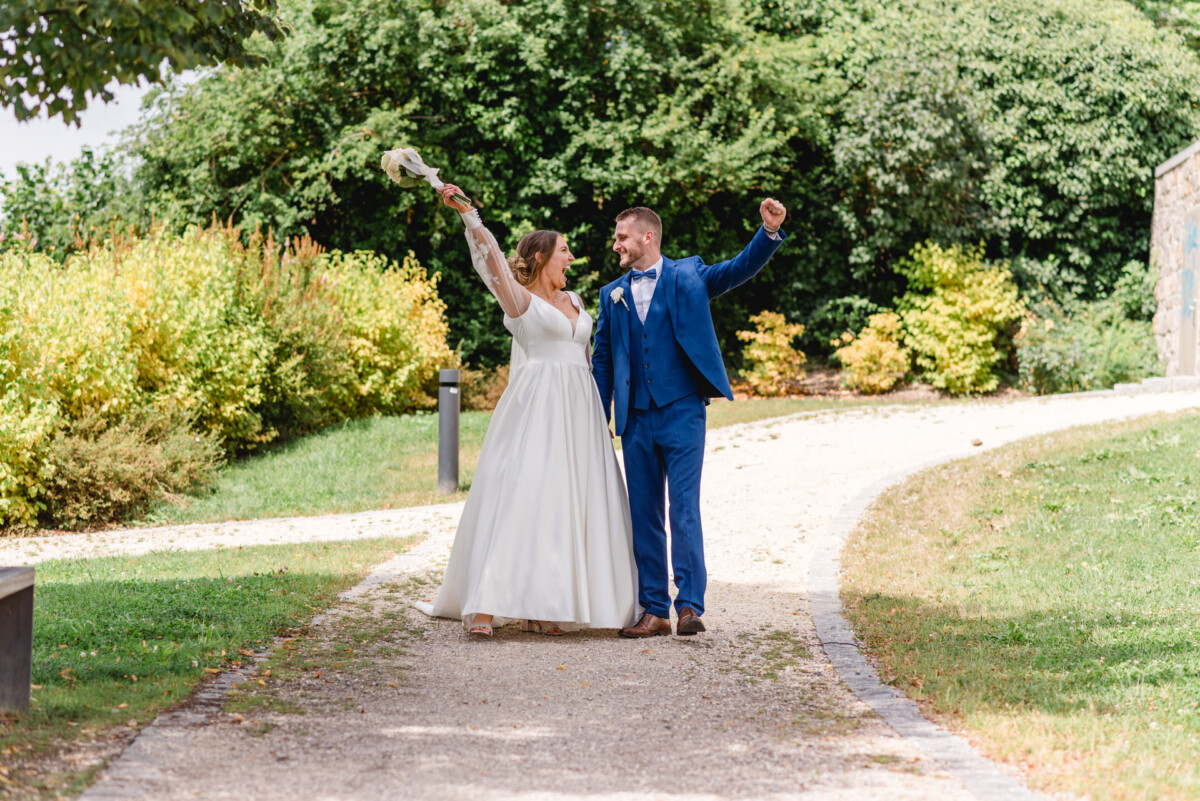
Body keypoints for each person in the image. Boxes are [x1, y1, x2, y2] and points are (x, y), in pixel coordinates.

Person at [420, 184, 640, 638]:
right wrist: (470, 217)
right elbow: (493, 263)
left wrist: (601, 414)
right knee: (526, 496)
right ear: (540, 257)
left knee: (568, 502)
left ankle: (546, 605)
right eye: (564, 249)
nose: (572, 256)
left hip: (579, 411)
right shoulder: (520, 302)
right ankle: (486, 602)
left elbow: (585, 358)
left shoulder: (578, 301)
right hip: (539, 407)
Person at [591, 200, 787, 638]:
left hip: (682, 412)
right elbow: (602, 362)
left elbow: (738, 269)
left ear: (648, 237)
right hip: (635, 419)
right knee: (643, 514)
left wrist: (768, 232)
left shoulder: (688, 275)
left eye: (622, 237)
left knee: (682, 509)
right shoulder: (611, 294)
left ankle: (689, 607)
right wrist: (597, 418)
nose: (615, 244)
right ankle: (655, 608)